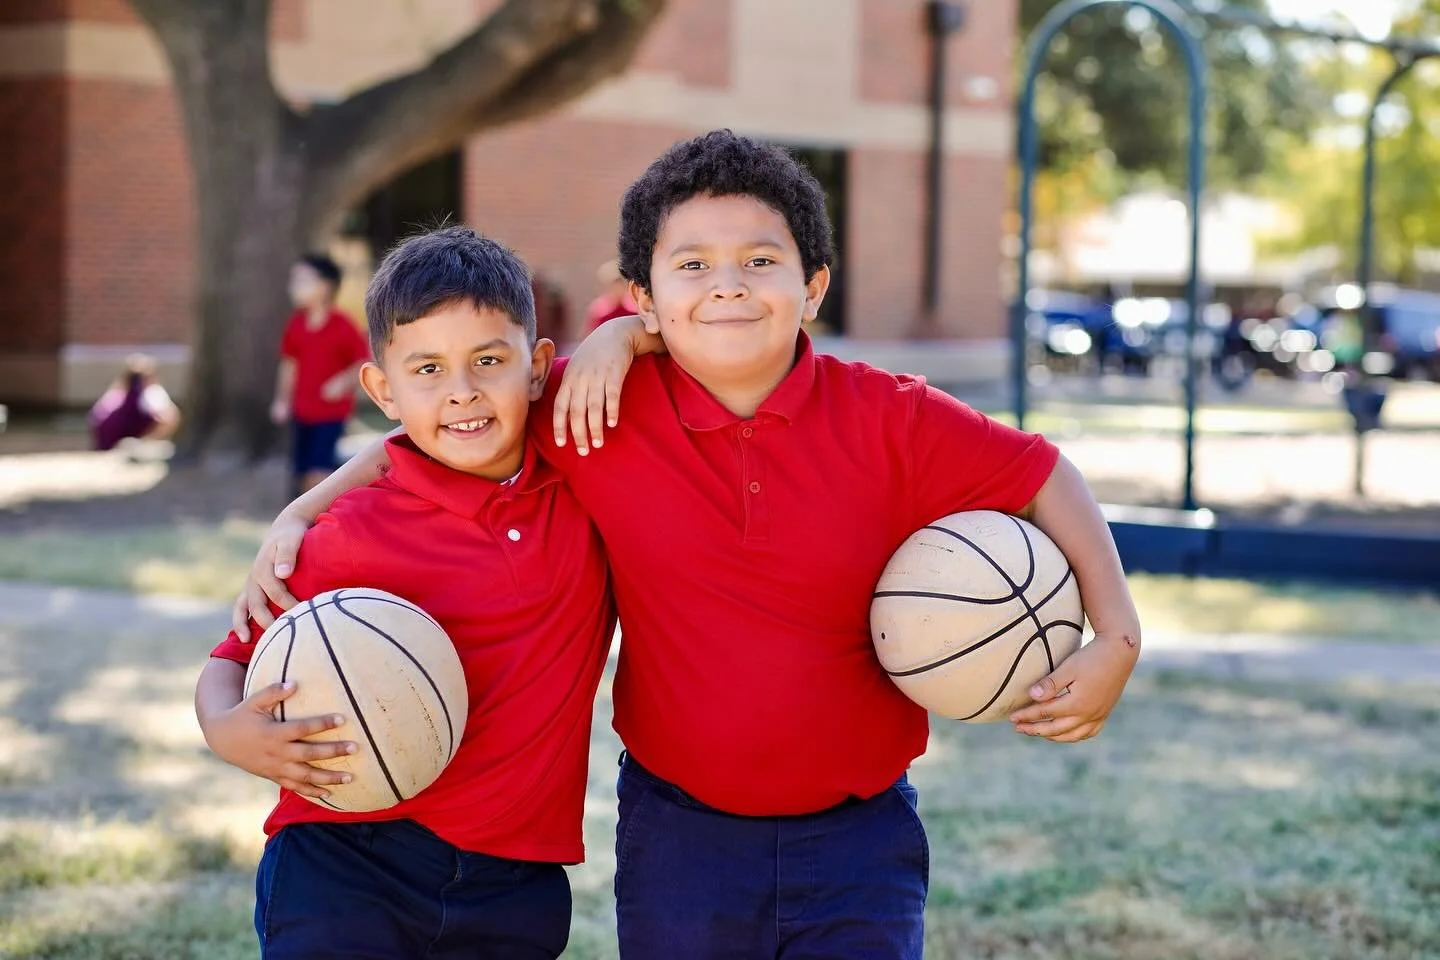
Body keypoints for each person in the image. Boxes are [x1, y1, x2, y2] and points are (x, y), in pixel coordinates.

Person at [237, 131, 1142, 960]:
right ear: (647, 296)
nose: (728, 284)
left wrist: (1116, 638)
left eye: (761, 260)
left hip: (861, 834)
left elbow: (1042, 474)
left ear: (815, 283)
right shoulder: (597, 414)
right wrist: (303, 511)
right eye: (692, 265)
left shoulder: (892, 418)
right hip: (681, 835)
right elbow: (443, 423)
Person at [198, 227, 613, 959]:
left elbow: (678, 351)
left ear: (541, 367)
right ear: (382, 389)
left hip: (517, 880)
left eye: (489, 361)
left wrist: (627, 341)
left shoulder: (588, 485)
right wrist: (223, 728)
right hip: (345, 862)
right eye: (427, 369)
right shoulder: (349, 534)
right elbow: (233, 656)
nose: (462, 391)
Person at [271, 253, 371, 495]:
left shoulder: (343, 325)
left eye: (303, 280)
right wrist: (282, 400)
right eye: (293, 281)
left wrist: (342, 382)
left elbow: (363, 361)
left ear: (325, 286)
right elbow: (289, 365)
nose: (295, 287)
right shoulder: (296, 324)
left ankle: (321, 518)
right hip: (302, 410)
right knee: (301, 469)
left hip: (331, 413)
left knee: (320, 470)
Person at [87, 354, 181, 451]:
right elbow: (168, 419)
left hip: (106, 444)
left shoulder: (114, 393)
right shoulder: (150, 393)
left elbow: (94, 417)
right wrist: (148, 440)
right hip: (126, 444)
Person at [583, 259, 638, 333]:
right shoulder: (599, 310)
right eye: (613, 285)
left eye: (619, 284)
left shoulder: (634, 307)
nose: (617, 289)